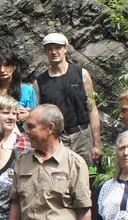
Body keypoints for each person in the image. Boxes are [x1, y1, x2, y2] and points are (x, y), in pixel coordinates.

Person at [35, 32, 102, 163]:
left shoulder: (81, 74)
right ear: (45, 52)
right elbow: (39, 118)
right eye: (49, 49)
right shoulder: (39, 83)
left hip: (83, 136)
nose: (54, 52)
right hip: (57, 139)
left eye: (57, 48)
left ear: (65, 49)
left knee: (89, 176)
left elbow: (92, 109)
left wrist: (97, 144)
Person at [0, 49, 38, 115]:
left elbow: (35, 116)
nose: (2, 70)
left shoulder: (27, 91)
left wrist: (27, 115)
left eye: (6, 65)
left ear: (14, 67)